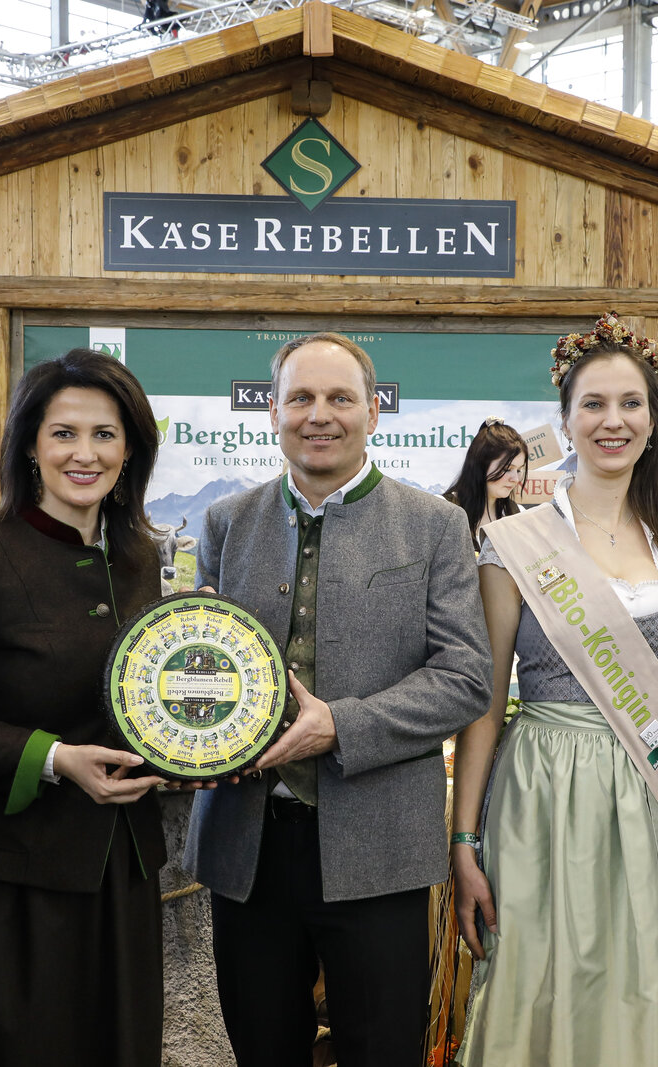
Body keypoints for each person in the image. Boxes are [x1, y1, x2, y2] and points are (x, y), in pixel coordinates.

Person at [188, 332, 490, 1067]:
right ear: (274, 411)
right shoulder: (228, 522)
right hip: (246, 847)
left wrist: (340, 726)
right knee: (261, 1050)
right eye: (300, 397)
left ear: (373, 411)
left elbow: (466, 677)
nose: (319, 414)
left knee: (381, 1051)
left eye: (339, 397)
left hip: (378, 847)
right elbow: (206, 667)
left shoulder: (434, 524)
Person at [451, 313, 658, 1067]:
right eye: (594, 404)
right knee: (540, 985)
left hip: (650, 796)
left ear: (654, 418)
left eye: (631, 403)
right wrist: (464, 838)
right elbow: (484, 702)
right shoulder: (515, 545)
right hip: (542, 796)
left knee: (641, 984)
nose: (613, 421)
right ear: (565, 419)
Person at [0, 348, 171, 1066]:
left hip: (125, 874)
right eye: (64, 433)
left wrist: (190, 750)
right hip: (12, 890)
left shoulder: (142, 560)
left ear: (131, 450)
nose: (86, 453)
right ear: (29, 445)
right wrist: (55, 759)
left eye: (106, 435)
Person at [442, 417, 529, 544]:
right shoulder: (442, 509)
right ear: (480, 464)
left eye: (519, 470)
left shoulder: (518, 514)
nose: (515, 479)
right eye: (507, 469)